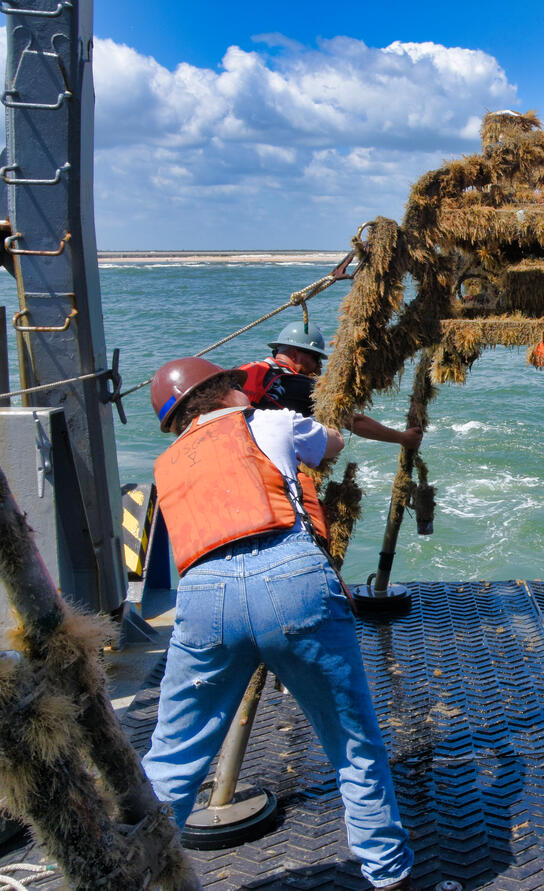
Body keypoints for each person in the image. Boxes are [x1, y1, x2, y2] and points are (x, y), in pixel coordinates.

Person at [143, 357, 414, 890]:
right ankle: (388, 872)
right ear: (223, 391)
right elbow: (330, 445)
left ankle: (133, 873)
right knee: (351, 740)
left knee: (172, 758)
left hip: (203, 599)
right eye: (236, 385)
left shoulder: (166, 464)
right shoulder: (268, 422)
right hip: (291, 580)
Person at [239, 320, 423, 450]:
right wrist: (402, 438)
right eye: (316, 358)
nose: (319, 366)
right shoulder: (301, 386)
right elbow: (353, 421)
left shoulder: (244, 371)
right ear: (295, 355)